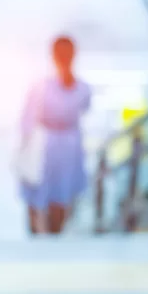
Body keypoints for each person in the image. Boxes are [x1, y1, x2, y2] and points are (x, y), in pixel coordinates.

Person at [19, 36, 91, 235]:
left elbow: (84, 109)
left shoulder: (83, 88)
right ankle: (39, 237)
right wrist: (25, 149)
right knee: (39, 193)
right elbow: (27, 120)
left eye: (67, 53)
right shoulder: (41, 86)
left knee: (62, 195)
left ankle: (55, 237)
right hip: (44, 145)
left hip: (69, 148)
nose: (64, 58)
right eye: (60, 53)